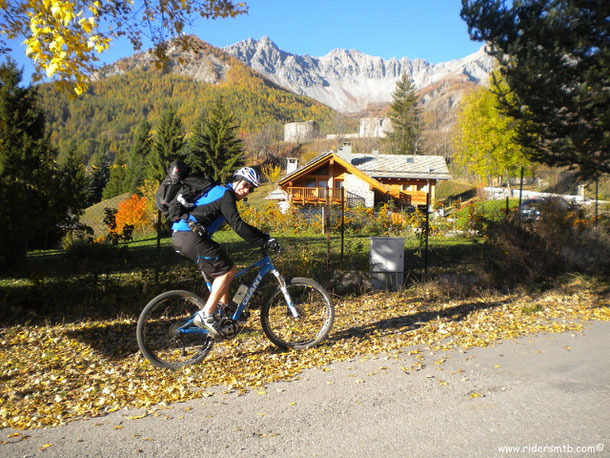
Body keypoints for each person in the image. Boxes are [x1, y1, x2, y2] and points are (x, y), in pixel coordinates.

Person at [171, 166, 278, 336]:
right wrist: (263, 241)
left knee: (223, 269)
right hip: (188, 235)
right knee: (228, 270)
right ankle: (206, 315)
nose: (246, 191)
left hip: (185, 236)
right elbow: (238, 226)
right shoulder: (224, 194)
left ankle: (224, 311)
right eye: (245, 185)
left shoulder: (221, 194)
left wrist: (263, 236)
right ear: (236, 180)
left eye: (250, 189)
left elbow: (240, 224)